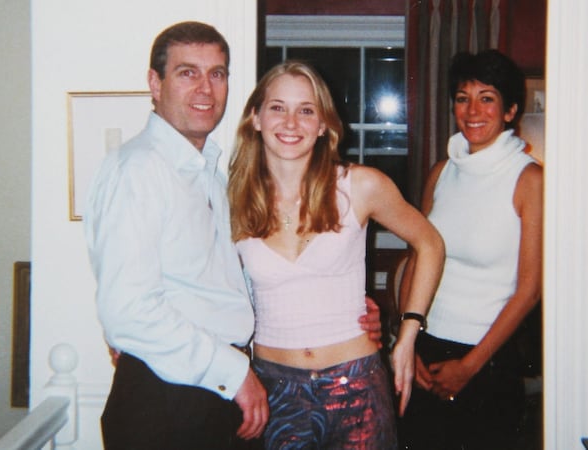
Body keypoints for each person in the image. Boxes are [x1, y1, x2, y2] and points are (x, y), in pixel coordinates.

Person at [84, 22, 382, 450]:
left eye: (218, 74)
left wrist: (345, 306)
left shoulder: (211, 174)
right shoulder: (139, 170)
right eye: (188, 72)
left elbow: (227, 282)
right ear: (155, 82)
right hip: (169, 395)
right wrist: (235, 372)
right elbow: (128, 310)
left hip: (215, 392)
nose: (205, 88)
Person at [228, 61, 445, 449]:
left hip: (357, 386)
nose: (291, 122)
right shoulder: (232, 200)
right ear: (255, 118)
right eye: (278, 107)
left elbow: (429, 243)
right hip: (273, 391)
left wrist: (408, 334)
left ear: (323, 124)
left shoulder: (360, 186)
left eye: (306, 110)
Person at [397, 49, 544, 450]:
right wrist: (407, 340)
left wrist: (470, 367)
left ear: (510, 110)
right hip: (426, 349)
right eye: (463, 98)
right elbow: (416, 260)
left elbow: (530, 289)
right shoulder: (442, 172)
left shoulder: (529, 180)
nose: (473, 110)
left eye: (487, 97)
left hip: (488, 359)